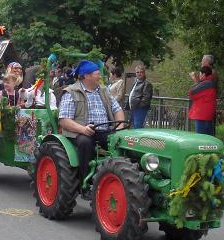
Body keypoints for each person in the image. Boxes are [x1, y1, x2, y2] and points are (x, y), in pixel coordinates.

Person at [58, 60, 125, 198]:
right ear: (87, 76)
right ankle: (85, 182)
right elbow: (64, 120)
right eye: (97, 73)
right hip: (81, 132)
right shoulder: (71, 92)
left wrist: (120, 127)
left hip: (105, 130)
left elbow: (118, 110)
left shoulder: (104, 91)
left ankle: (121, 177)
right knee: (85, 143)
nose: (100, 76)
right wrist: (82, 129)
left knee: (123, 142)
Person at [189, 65, 217, 135]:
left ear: (204, 74)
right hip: (208, 115)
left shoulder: (206, 84)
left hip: (202, 115)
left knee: (200, 139)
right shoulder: (212, 82)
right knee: (209, 138)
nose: (199, 76)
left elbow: (192, 93)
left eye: (200, 74)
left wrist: (195, 80)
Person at [127, 64, 153, 128]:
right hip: (133, 109)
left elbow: (146, 99)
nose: (139, 73)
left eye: (141, 72)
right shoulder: (135, 82)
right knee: (133, 128)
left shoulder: (147, 84)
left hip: (140, 110)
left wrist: (138, 107)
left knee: (138, 128)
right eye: (137, 72)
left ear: (144, 73)